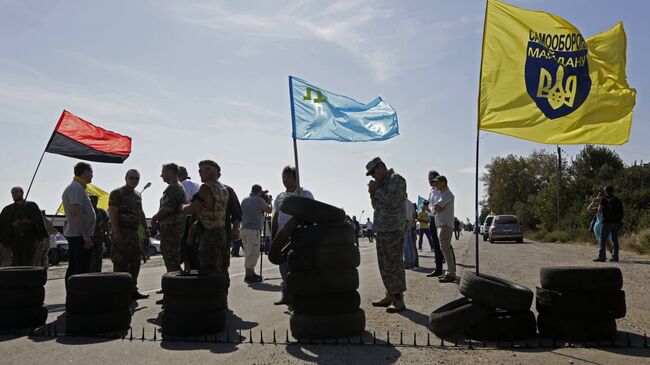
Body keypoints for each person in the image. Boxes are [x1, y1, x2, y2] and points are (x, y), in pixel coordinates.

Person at [366, 157, 407, 313]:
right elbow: (377, 205)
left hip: (393, 229)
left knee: (394, 264)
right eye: (371, 175)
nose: (373, 177)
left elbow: (393, 201)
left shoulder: (396, 179)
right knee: (384, 265)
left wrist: (376, 190)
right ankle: (389, 294)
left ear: (381, 167)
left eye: (373, 172)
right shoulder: (381, 185)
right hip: (382, 229)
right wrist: (373, 193)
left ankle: (399, 300)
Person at [271, 166, 314, 306]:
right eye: (283, 177)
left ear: (296, 177)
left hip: (299, 233)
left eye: (288, 176)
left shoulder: (304, 193)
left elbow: (312, 212)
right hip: (283, 235)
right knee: (283, 265)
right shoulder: (280, 197)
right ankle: (287, 294)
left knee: (298, 265)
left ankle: (301, 294)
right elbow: (275, 216)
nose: (284, 179)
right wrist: (274, 237)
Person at [182, 160, 230, 274]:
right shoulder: (223, 189)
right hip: (220, 232)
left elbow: (193, 208)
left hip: (209, 234)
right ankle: (220, 290)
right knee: (220, 267)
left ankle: (210, 291)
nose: (199, 173)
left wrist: (181, 208)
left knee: (208, 269)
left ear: (210, 171)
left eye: (201, 170)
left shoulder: (206, 187)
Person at [109, 169, 150, 300]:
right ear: (126, 178)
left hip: (134, 234)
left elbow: (140, 213)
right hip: (122, 231)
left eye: (137, 178)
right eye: (131, 178)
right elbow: (113, 213)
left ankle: (133, 290)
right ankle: (119, 292)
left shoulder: (138, 195)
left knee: (135, 262)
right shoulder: (117, 193)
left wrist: (144, 230)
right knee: (120, 262)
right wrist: (116, 233)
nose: (134, 181)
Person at [61, 163, 97, 291]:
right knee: (80, 269)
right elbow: (76, 212)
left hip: (79, 235)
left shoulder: (79, 187)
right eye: (91, 172)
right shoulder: (75, 187)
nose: (92, 175)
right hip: (79, 236)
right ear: (86, 172)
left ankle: (75, 298)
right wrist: (86, 236)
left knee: (76, 268)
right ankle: (78, 298)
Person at [151, 163, 187, 273]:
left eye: (163, 172)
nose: (161, 175)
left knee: (171, 260)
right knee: (172, 260)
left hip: (171, 230)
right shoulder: (176, 186)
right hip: (172, 230)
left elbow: (166, 209)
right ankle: (173, 284)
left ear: (170, 172)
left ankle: (176, 286)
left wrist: (154, 218)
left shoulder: (173, 188)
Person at [0, 187, 48, 266]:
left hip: (29, 238)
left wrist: (24, 221)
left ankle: (28, 277)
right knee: (17, 262)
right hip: (14, 239)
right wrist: (13, 224)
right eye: (12, 193)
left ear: (22, 193)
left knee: (28, 261)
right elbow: (3, 224)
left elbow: (38, 221)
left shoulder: (31, 206)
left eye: (16, 192)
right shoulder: (8, 209)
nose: (14, 194)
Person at [240, 184, 273, 282]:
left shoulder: (245, 199)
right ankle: (248, 275)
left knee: (249, 252)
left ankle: (251, 273)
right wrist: (269, 202)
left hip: (244, 229)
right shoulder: (259, 200)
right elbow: (269, 210)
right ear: (259, 191)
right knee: (253, 253)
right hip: (253, 230)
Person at [433, 176, 456, 283]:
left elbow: (437, 207)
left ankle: (451, 273)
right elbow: (436, 208)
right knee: (445, 249)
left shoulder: (447, 194)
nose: (436, 185)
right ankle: (450, 271)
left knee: (445, 249)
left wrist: (436, 208)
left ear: (443, 183)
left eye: (437, 183)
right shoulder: (443, 194)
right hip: (442, 225)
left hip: (445, 225)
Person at [178, 165, 200, 270]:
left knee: (187, 248)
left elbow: (186, 204)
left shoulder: (183, 185)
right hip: (197, 219)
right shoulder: (196, 184)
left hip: (188, 220)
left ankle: (189, 270)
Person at [594, 185, 623, 262]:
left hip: (606, 222)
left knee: (602, 239)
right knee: (615, 240)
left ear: (606, 191)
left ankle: (602, 256)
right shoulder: (617, 199)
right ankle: (615, 256)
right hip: (615, 222)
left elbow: (599, 211)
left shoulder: (604, 199)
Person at [425, 170, 445, 278]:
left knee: (443, 244)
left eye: (432, 179)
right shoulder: (432, 191)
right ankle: (438, 269)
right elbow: (432, 207)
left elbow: (438, 207)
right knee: (436, 245)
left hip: (439, 220)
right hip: (432, 219)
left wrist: (429, 209)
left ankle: (449, 268)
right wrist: (426, 209)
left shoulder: (440, 191)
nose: (430, 182)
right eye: (428, 179)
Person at [89, 196, 109, 272]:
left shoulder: (101, 212)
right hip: (89, 238)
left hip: (99, 238)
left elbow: (106, 224)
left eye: (95, 201)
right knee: (91, 258)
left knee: (99, 257)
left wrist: (107, 234)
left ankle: (98, 272)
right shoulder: (86, 211)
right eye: (92, 201)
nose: (93, 202)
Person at [403, 198, 416, 269]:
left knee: (405, 245)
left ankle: (407, 263)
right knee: (410, 244)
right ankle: (412, 262)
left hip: (404, 222)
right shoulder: (411, 203)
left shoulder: (402, 201)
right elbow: (414, 215)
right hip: (410, 223)